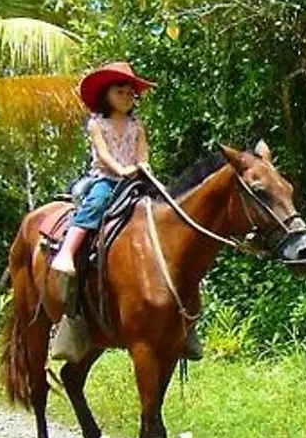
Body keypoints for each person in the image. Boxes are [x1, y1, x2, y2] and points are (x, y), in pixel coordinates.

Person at [48, 62, 201, 361]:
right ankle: (67, 252)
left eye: (131, 92)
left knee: (174, 218)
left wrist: (142, 167)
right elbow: (103, 154)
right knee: (95, 205)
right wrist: (121, 170)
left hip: (137, 180)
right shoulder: (97, 124)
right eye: (121, 91)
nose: (128, 96)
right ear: (106, 95)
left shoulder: (136, 125)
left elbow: (143, 152)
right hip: (106, 179)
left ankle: (189, 317)